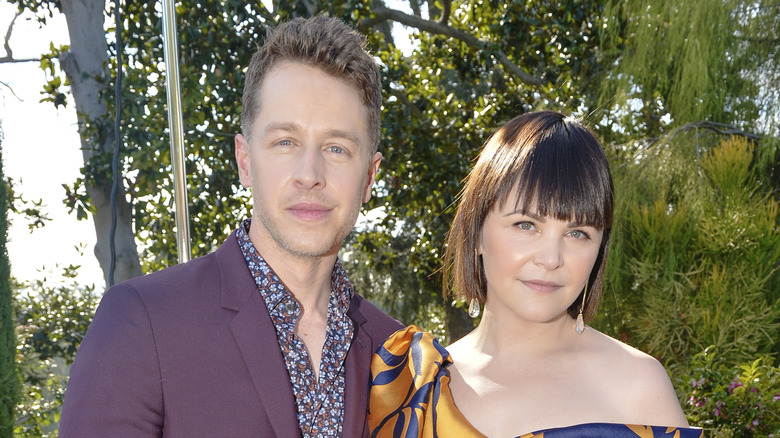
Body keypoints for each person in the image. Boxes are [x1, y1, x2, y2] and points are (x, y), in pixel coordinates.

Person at [60, 16, 402, 437]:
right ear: (244, 160)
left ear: (369, 176)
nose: (309, 173)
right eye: (285, 142)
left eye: (337, 148)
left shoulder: (396, 353)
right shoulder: (143, 323)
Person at [367, 111, 702, 437]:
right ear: (477, 232)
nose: (551, 258)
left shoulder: (637, 384)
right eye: (526, 225)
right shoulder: (409, 389)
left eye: (578, 233)